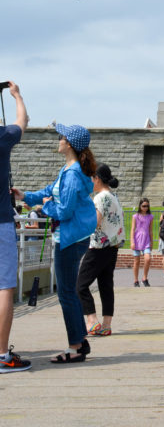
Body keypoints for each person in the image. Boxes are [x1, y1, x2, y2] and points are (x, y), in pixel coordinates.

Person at [19, 123, 97, 363]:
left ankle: (75, 348)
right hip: (72, 237)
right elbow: (49, 191)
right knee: (68, 291)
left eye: (61, 137)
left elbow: (63, 209)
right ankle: (80, 342)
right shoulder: (69, 169)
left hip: (69, 239)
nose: (59, 139)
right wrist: (25, 196)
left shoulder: (73, 173)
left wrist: (43, 207)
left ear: (70, 144)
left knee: (66, 293)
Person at [0, 81, 31, 373]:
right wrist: (16, 96)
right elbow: (23, 121)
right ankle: (2, 356)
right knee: (5, 287)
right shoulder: (3, 136)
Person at [77, 164, 125, 336]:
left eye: (91, 178)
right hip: (112, 247)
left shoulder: (99, 198)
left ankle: (92, 320)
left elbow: (94, 222)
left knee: (80, 285)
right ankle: (106, 325)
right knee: (106, 285)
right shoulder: (114, 197)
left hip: (98, 246)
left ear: (96, 178)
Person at [131, 197, 154, 286]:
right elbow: (132, 229)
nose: (145, 208)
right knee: (136, 261)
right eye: (144, 206)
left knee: (148, 259)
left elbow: (151, 230)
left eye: (147, 206)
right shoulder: (135, 216)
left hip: (146, 240)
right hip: (137, 240)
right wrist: (132, 242)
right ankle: (135, 280)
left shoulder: (150, 216)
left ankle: (144, 278)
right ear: (140, 206)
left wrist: (151, 242)